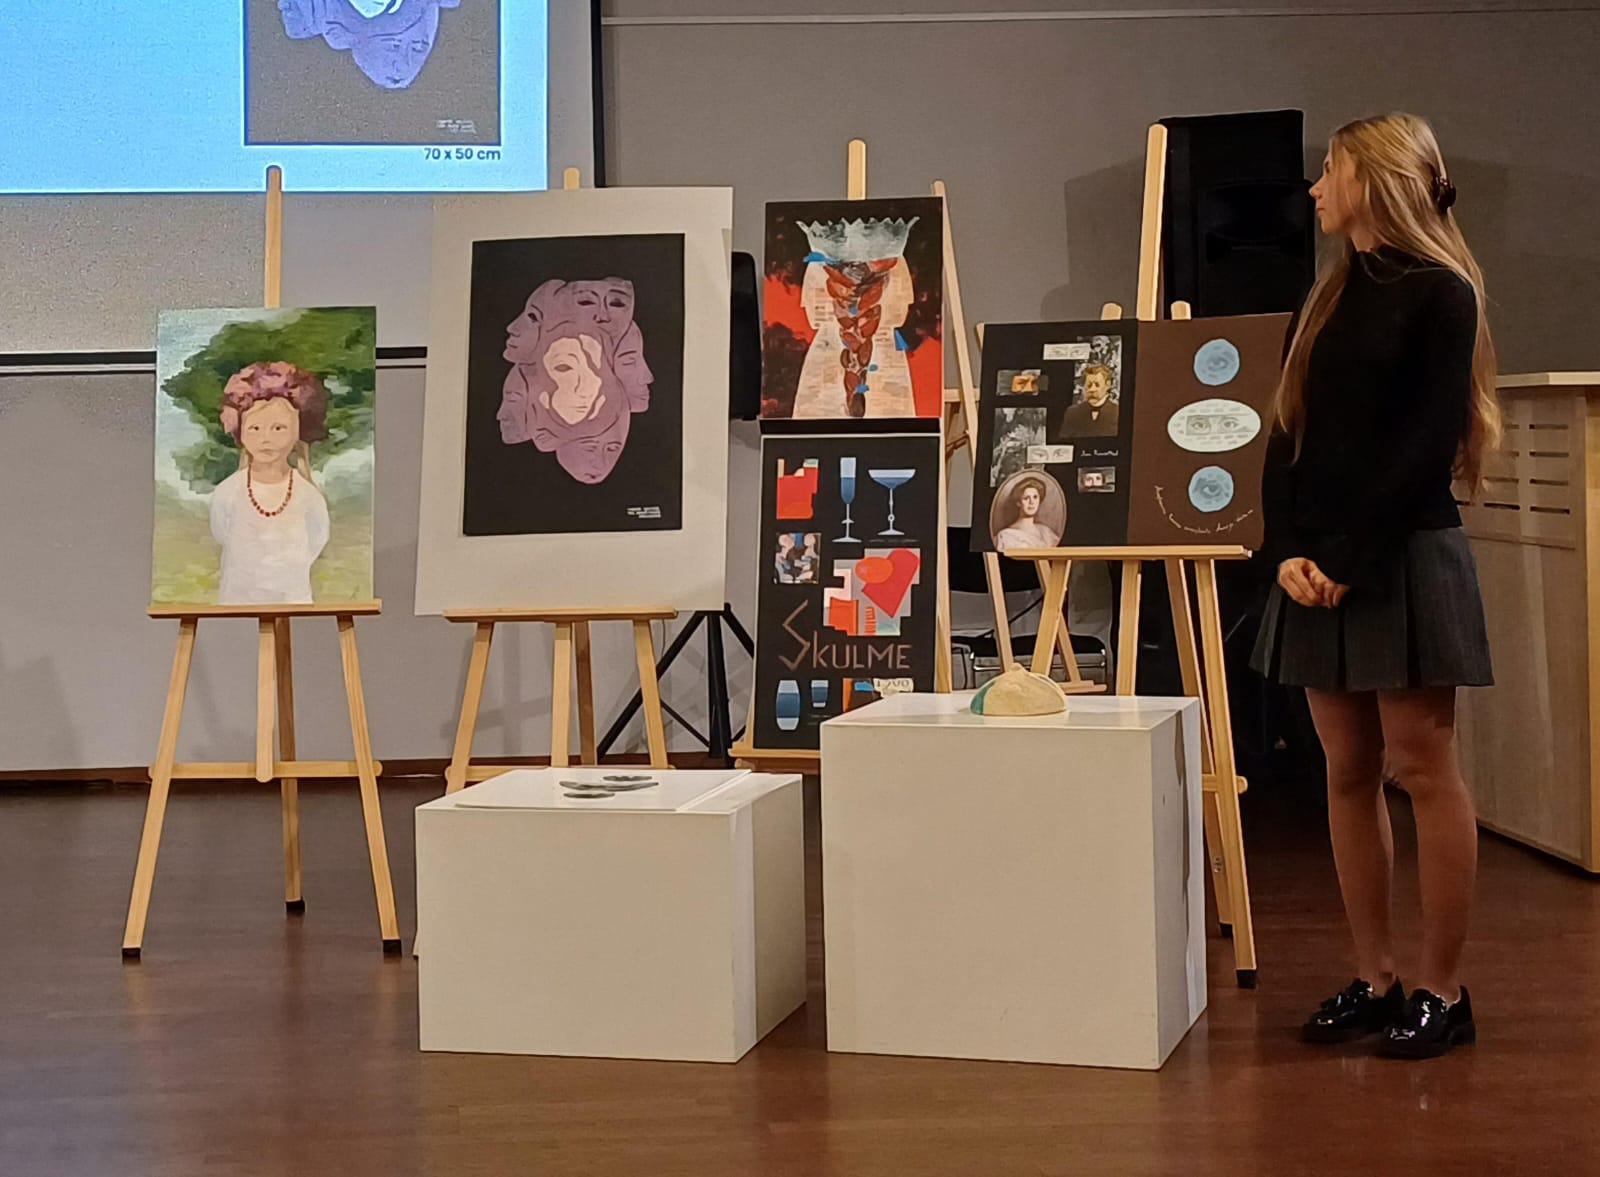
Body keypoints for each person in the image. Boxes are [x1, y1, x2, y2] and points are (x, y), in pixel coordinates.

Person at [1251, 113, 1499, 1059]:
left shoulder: (1443, 293)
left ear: (1375, 180)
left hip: (1398, 555)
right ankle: (1376, 976)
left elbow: (1424, 447)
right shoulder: (1325, 296)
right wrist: (1286, 549)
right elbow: (1285, 433)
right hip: (1318, 564)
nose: (1315, 187)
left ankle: (1443, 989)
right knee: (1346, 770)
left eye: (1330, 169)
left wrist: (1349, 558)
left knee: (1422, 767)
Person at [209, 361, 332, 605]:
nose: (266, 439)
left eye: (278, 428)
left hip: (292, 596)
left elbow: (317, 537)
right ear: (240, 431)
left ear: (297, 431)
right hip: (239, 598)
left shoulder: (306, 494)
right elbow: (221, 532)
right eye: (255, 428)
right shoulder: (229, 491)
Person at [992, 476, 1062, 551]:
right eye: (1026, 498)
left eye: (1035, 497)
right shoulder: (1006, 536)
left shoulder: (1047, 533)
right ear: (1018, 502)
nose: (1031, 502)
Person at [1059, 364, 1119, 437]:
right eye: (1089, 385)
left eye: (1097, 385)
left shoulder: (1117, 413)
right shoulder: (1072, 413)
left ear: (1107, 385)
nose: (1092, 389)